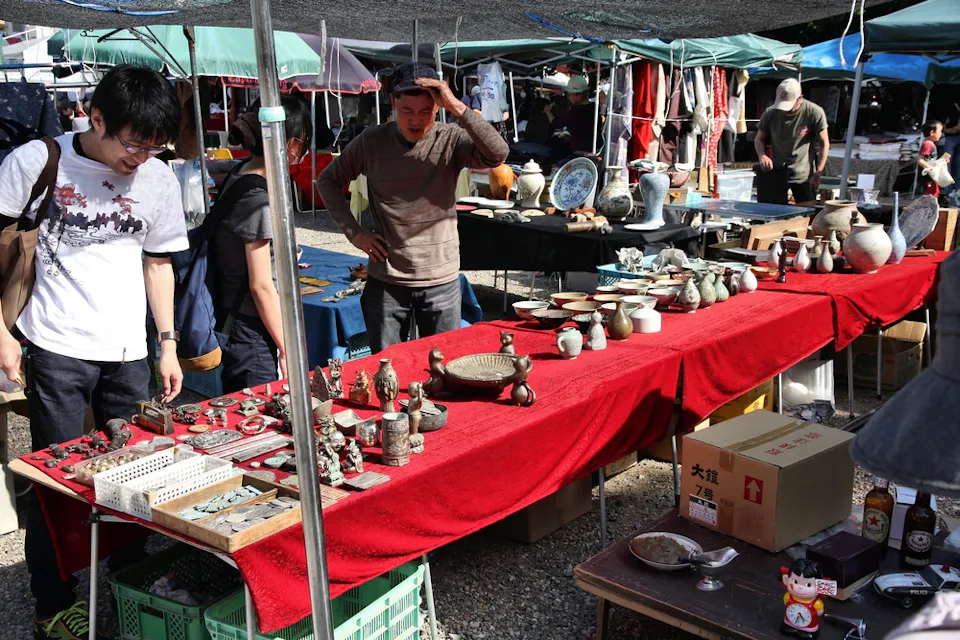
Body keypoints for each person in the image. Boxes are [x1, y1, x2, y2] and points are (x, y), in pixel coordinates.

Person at [0, 64, 187, 640]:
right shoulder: (36, 162)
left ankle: (131, 583)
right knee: (59, 483)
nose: (141, 159)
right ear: (95, 118)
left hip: (129, 349)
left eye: (155, 147)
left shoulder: (157, 177)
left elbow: (158, 262)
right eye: (132, 144)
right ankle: (53, 605)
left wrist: (168, 344)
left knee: (132, 474)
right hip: (56, 344)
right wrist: (1, 332)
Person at [317, 62, 508, 352]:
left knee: (443, 368)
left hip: (441, 279)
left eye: (426, 111)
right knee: (387, 370)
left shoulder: (451, 139)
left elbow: (498, 153)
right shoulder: (372, 141)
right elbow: (327, 181)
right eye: (407, 111)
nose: (416, 120)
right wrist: (355, 234)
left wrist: (457, 106)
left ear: (437, 108)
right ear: (392, 104)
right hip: (387, 280)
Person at [211, 96, 311, 392]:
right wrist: (287, 347)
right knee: (260, 417)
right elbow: (261, 285)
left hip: (235, 317)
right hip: (252, 332)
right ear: (293, 143)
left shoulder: (239, 173)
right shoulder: (260, 202)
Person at [755, 78, 829, 204]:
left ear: (800, 98)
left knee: (807, 213)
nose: (785, 109)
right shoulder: (771, 112)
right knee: (773, 214)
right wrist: (762, 156)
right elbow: (759, 138)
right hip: (776, 172)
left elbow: (824, 143)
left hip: (803, 175)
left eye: (789, 105)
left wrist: (818, 172)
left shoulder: (814, 112)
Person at [547, 75, 598, 154]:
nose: (568, 97)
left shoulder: (575, 111)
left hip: (579, 154)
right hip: (594, 151)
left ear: (579, 95)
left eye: (570, 94)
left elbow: (556, 124)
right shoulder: (595, 108)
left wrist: (547, 111)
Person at [918, 120, 950, 199]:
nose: (941, 134)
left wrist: (942, 160)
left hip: (932, 175)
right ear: (932, 132)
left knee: (935, 191)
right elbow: (920, 160)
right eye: (940, 131)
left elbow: (931, 159)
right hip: (928, 176)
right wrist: (931, 169)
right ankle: (928, 209)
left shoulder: (932, 144)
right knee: (931, 193)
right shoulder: (927, 144)